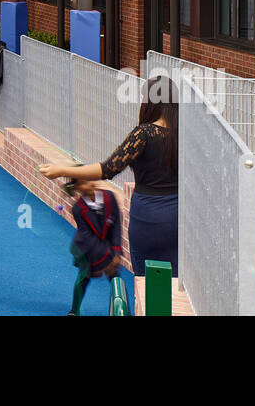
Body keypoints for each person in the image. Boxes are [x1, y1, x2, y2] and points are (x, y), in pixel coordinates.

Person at [39, 75, 179, 276]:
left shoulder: (144, 134)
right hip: (178, 218)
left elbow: (108, 168)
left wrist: (62, 170)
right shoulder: (184, 134)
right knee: (175, 281)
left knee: (146, 280)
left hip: (148, 216)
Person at [65, 178, 125, 316]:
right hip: (86, 249)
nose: (90, 183)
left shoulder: (109, 198)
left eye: (90, 179)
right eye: (84, 182)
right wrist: (104, 261)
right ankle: (74, 311)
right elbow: (87, 236)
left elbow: (116, 226)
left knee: (115, 278)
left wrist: (116, 253)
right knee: (83, 278)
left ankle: (124, 310)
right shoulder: (78, 209)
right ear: (77, 188)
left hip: (107, 246)